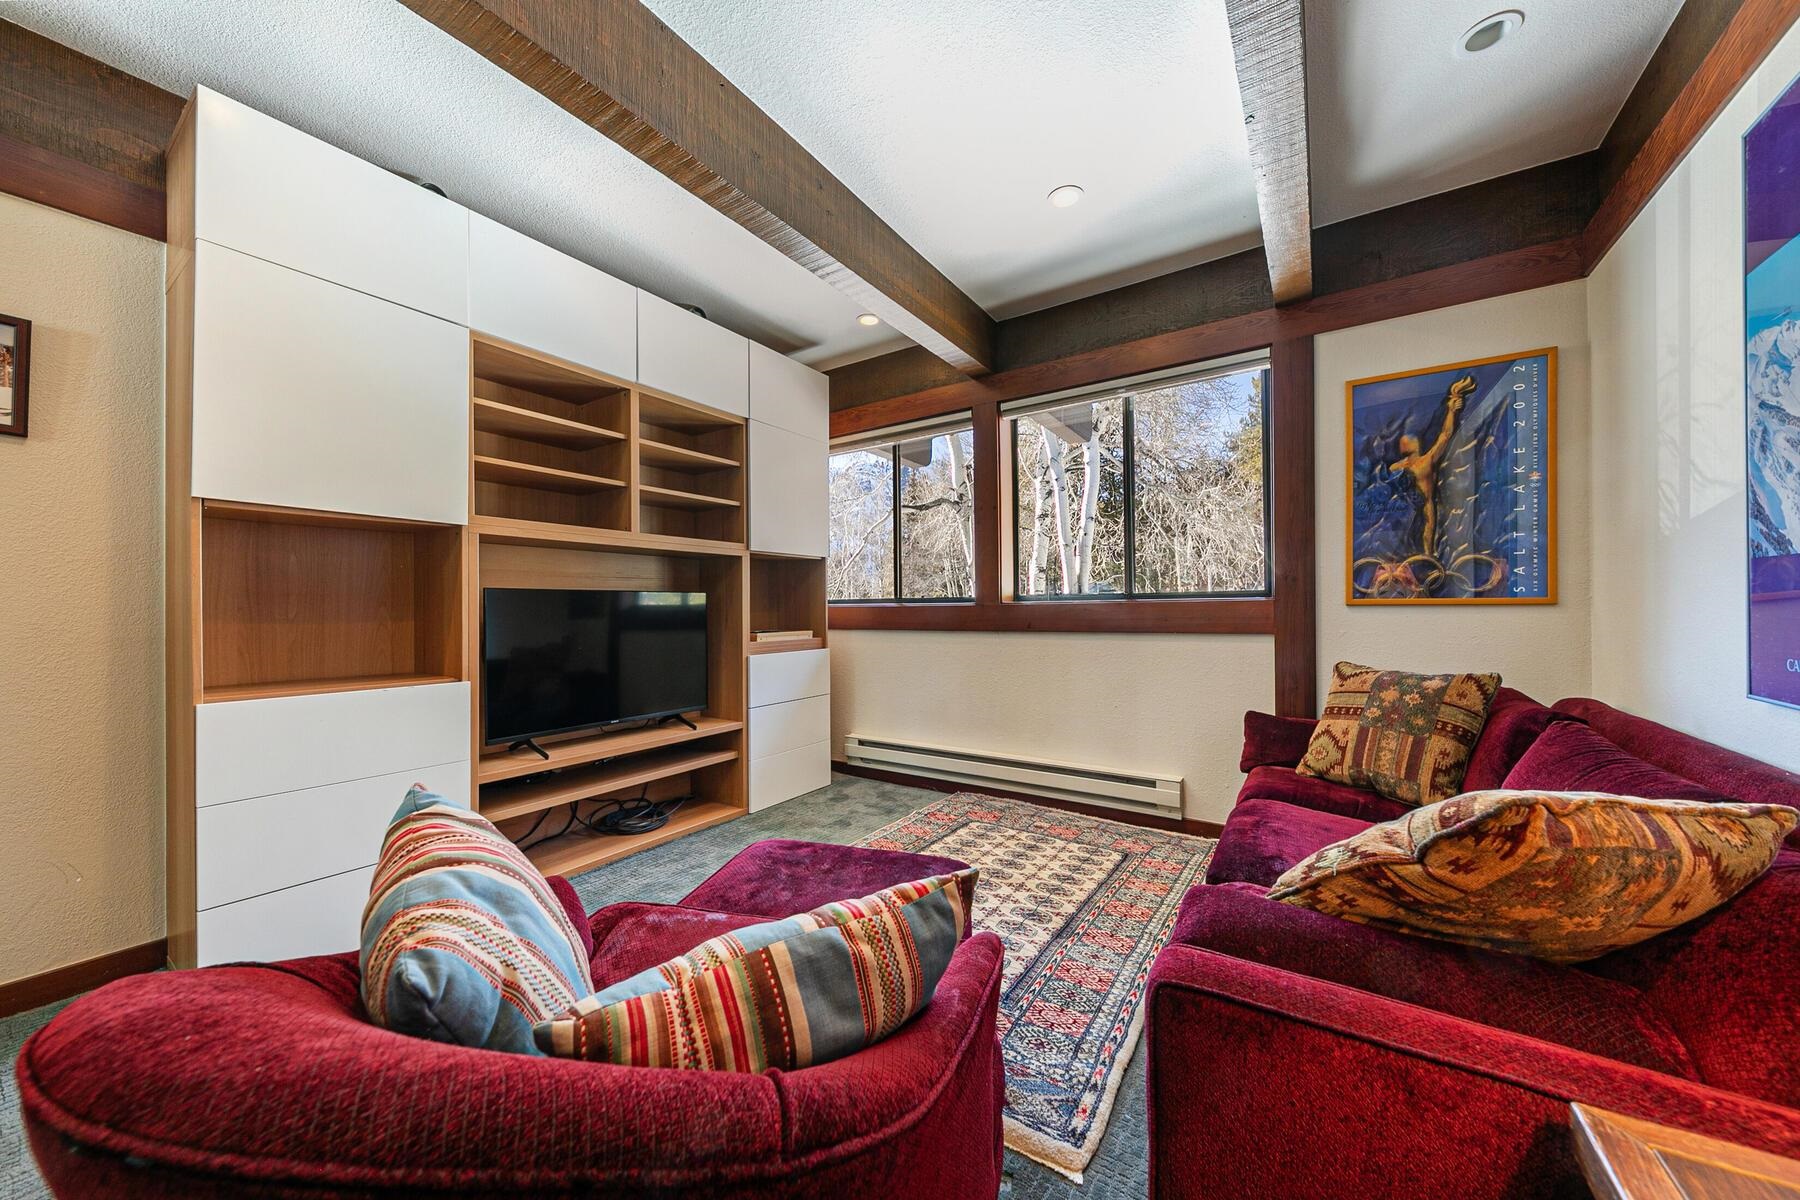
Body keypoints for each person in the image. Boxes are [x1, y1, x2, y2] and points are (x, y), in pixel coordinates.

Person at [1388, 373, 1476, 558]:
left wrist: (1452, 410)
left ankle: (1427, 559)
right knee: (1422, 534)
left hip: (1417, 508)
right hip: (1410, 509)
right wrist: (1452, 410)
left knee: (1425, 536)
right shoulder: (1404, 465)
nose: (1405, 442)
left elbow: (1445, 435)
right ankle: (1426, 558)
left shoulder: (1408, 465)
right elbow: (1444, 435)